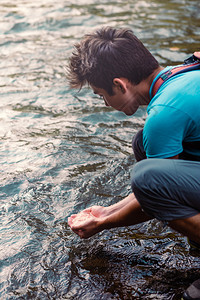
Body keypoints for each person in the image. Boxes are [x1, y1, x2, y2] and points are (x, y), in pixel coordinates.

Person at [67, 27, 200, 299]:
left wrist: (102, 224)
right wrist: (106, 211)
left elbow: (153, 192)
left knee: (146, 177)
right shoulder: (183, 74)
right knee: (143, 146)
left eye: (100, 94)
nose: (105, 103)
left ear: (120, 84)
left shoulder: (164, 114)